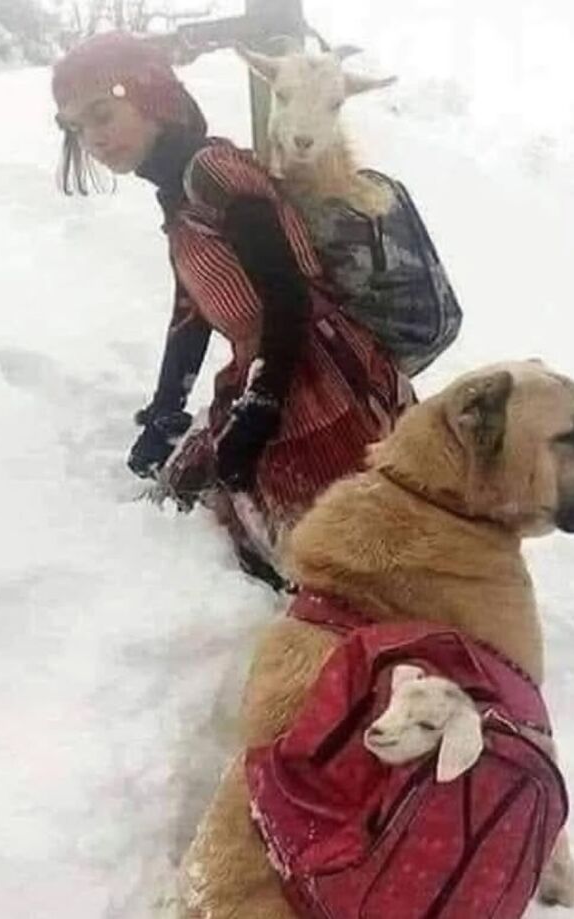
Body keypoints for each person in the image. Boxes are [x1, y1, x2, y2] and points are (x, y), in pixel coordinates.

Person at [52, 31, 412, 587]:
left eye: (102, 114)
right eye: (77, 127)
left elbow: (287, 293)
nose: (93, 139)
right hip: (271, 366)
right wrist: (166, 409)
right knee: (195, 502)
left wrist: (263, 405)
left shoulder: (211, 172)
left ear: (150, 96)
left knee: (325, 557)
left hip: (313, 373)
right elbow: (190, 311)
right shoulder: (178, 189)